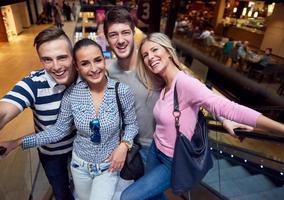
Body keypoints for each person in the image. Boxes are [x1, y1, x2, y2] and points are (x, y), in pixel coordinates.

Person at [103, 7, 253, 199]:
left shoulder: (153, 62)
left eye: (125, 33)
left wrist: (224, 118)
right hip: (134, 146)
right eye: (113, 35)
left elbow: (196, 87)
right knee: (152, 195)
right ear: (107, 39)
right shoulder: (110, 71)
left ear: (134, 34)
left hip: (162, 147)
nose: (120, 40)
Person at [120, 32, 284, 200]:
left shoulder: (185, 83)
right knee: (153, 196)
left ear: (168, 51)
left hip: (174, 160)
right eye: (145, 55)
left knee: (128, 197)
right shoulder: (162, 82)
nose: (150, 57)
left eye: (155, 50)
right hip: (156, 149)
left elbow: (229, 107)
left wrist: (280, 128)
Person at [0, 38, 138, 200]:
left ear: (104, 60)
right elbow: (58, 131)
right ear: (77, 67)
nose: (94, 68)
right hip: (79, 166)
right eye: (85, 63)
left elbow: (132, 124)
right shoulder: (72, 95)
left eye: (97, 60)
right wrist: (18, 142)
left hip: (108, 166)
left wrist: (124, 145)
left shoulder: (121, 91)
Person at [0, 28, 76, 200]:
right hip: (51, 154)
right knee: (61, 192)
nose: (56, 67)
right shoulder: (33, 84)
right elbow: (2, 112)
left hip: (81, 150)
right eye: (47, 60)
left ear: (73, 56)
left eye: (62, 57)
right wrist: (18, 142)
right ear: (40, 60)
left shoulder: (84, 77)